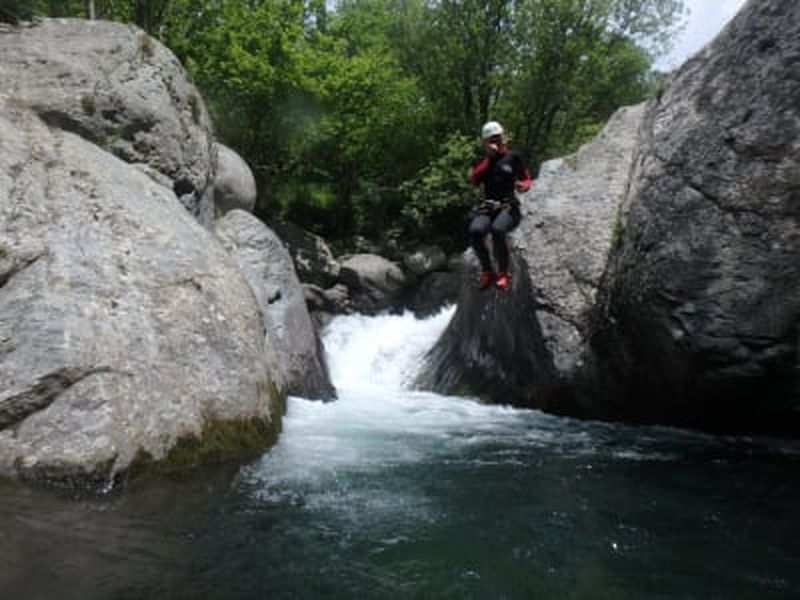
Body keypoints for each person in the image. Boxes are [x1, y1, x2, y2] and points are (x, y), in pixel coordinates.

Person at [467, 120, 532, 290]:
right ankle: (487, 271)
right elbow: (474, 179)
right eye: (491, 139)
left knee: (497, 230)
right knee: (475, 231)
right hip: (489, 207)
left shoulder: (513, 157)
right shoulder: (480, 161)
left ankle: (503, 273)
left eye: (497, 138)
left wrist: (523, 186)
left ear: (502, 138)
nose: (495, 142)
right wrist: (489, 158)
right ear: (485, 142)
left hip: (508, 206)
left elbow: (526, 178)